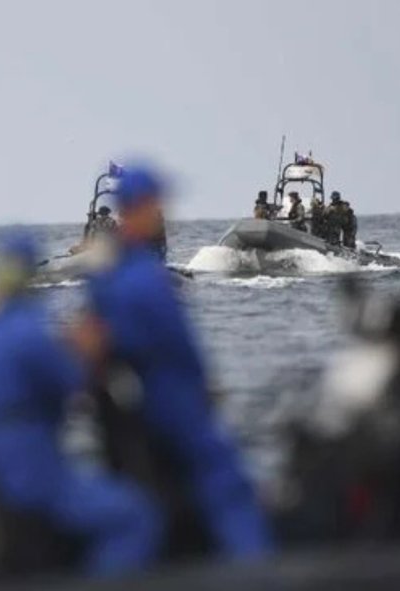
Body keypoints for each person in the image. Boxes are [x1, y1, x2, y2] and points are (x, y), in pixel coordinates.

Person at [71, 165, 273, 563]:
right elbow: (174, 349)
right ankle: (259, 571)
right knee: (230, 490)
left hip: (146, 410)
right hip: (174, 406)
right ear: (142, 206)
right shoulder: (141, 280)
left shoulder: (110, 276)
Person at [0, 232, 161, 577]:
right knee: (134, 517)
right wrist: (82, 348)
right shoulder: (26, 331)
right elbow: (69, 382)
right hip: (31, 469)